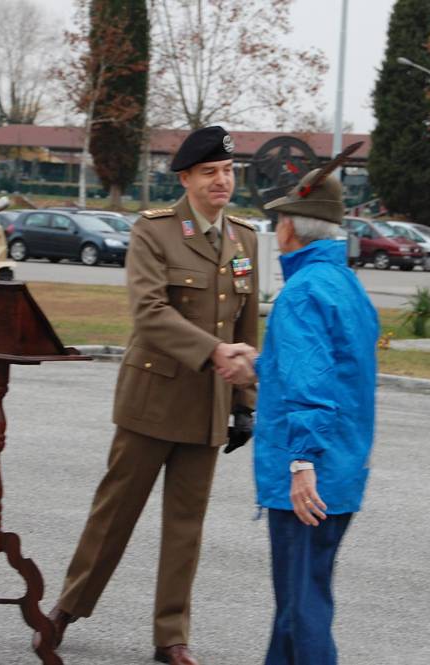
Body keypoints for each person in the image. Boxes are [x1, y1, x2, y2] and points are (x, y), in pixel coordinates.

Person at [40, 125, 259, 665]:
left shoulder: (244, 239)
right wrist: (214, 352)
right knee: (114, 515)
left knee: (186, 528)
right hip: (152, 401)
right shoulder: (154, 232)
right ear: (185, 178)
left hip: (208, 407)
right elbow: (150, 314)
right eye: (210, 172)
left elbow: (247, 327)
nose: (221, 181)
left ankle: (171, 637)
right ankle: (66, 609)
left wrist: (246, 405)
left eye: (228, 171)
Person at [251, 164, 379, 665]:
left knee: (303, 609)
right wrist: (258, 365)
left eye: (279, 220)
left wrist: (302, 465)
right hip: (342, 468)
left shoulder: (301, 293)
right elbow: (331, 369)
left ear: (290, 228)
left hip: (309, 478)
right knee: (298, 603)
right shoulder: (345, 284)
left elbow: (312, 387)